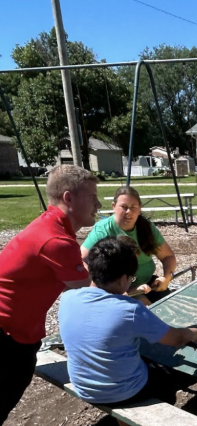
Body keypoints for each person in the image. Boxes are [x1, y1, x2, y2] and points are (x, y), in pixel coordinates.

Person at [59, 237, 197, 419]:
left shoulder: (68, 298)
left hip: (85, 386)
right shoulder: (129, 309)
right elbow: (176, 339)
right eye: (132, 278)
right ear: (123, 279)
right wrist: (196, 333)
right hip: (123, 392)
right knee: (168, 380)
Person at [0, 165, 101, 424]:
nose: (98, 204)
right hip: (7, 337)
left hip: (16, 332)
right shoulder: (55, 239)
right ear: (69, 198)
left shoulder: (52, 227)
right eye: (92, 196)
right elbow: (91, 291)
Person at [81, 186, 176, 306]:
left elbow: (168, 256)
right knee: (145, 309)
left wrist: (166, 278)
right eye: (124, 207)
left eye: (133, 207)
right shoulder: (103, 230)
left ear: (139, 208)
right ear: (113, 206)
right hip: (117, 289)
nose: (128, 212)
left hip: (148, 284)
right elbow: (81, 259)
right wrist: (109, 289)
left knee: (172, 307)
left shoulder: (147, 228)